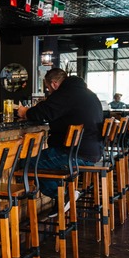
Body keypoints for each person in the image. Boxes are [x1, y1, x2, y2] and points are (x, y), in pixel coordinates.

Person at [17, 68, 104, 216]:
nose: (49, 92)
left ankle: (63, 196)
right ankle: (64, 198)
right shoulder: (85, 93)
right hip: (92, 151)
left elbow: (42, 112)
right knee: (40, 163)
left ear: (55, 84)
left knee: (26, 163)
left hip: (77, 153)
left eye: (48, 88)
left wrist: (25, 112)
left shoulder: (66, 93)